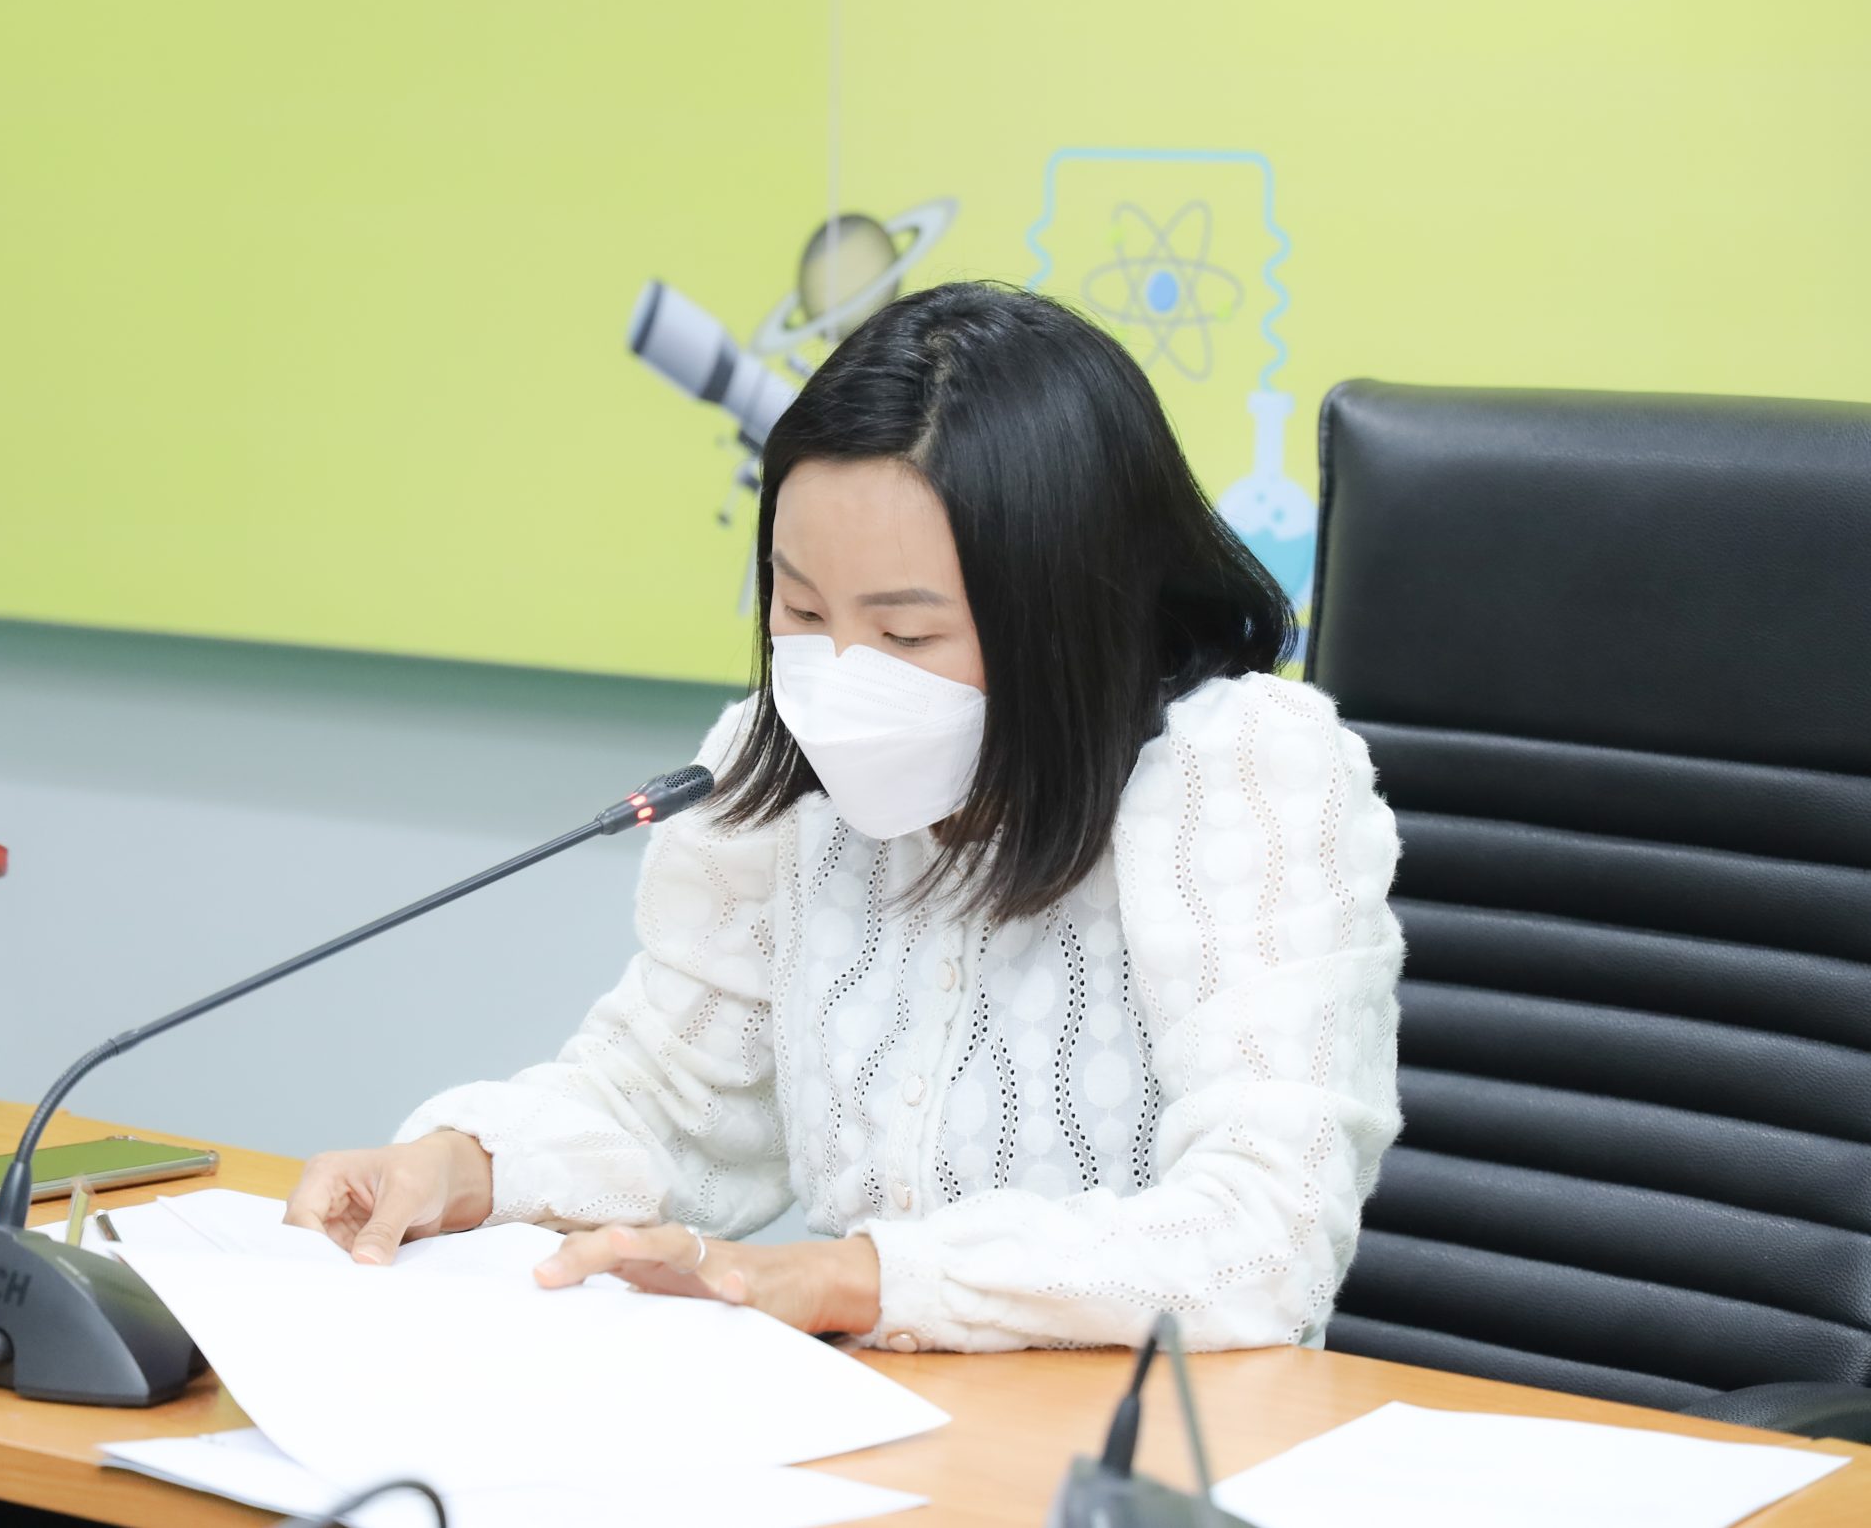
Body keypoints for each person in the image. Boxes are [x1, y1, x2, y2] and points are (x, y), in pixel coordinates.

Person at [283, 280, 1405, 1353]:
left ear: (1063, 619)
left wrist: (852, 1280)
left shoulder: (1239, 776)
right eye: (802, 608)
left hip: (1156, 1445)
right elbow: (668, 1097)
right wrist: (464, 1165)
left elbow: (1268, 1230)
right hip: (874, 1416)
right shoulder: (772, 776)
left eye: (905, 635)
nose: (836, 677)